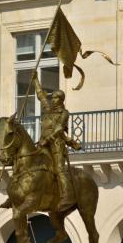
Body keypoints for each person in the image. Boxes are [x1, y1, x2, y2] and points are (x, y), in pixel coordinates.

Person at [33, 71, 80, 212]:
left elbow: (59, 129)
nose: (52, 100)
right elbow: (41, 96)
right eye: (52, 98)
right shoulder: (48, 110)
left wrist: (47, 139)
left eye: (55, 98)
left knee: (59, 169)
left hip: (56, 144)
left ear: (60, 100)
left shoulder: (64, 113)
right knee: (30, 162)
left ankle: (67, 196)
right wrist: (35, 79)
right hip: (43, 143)